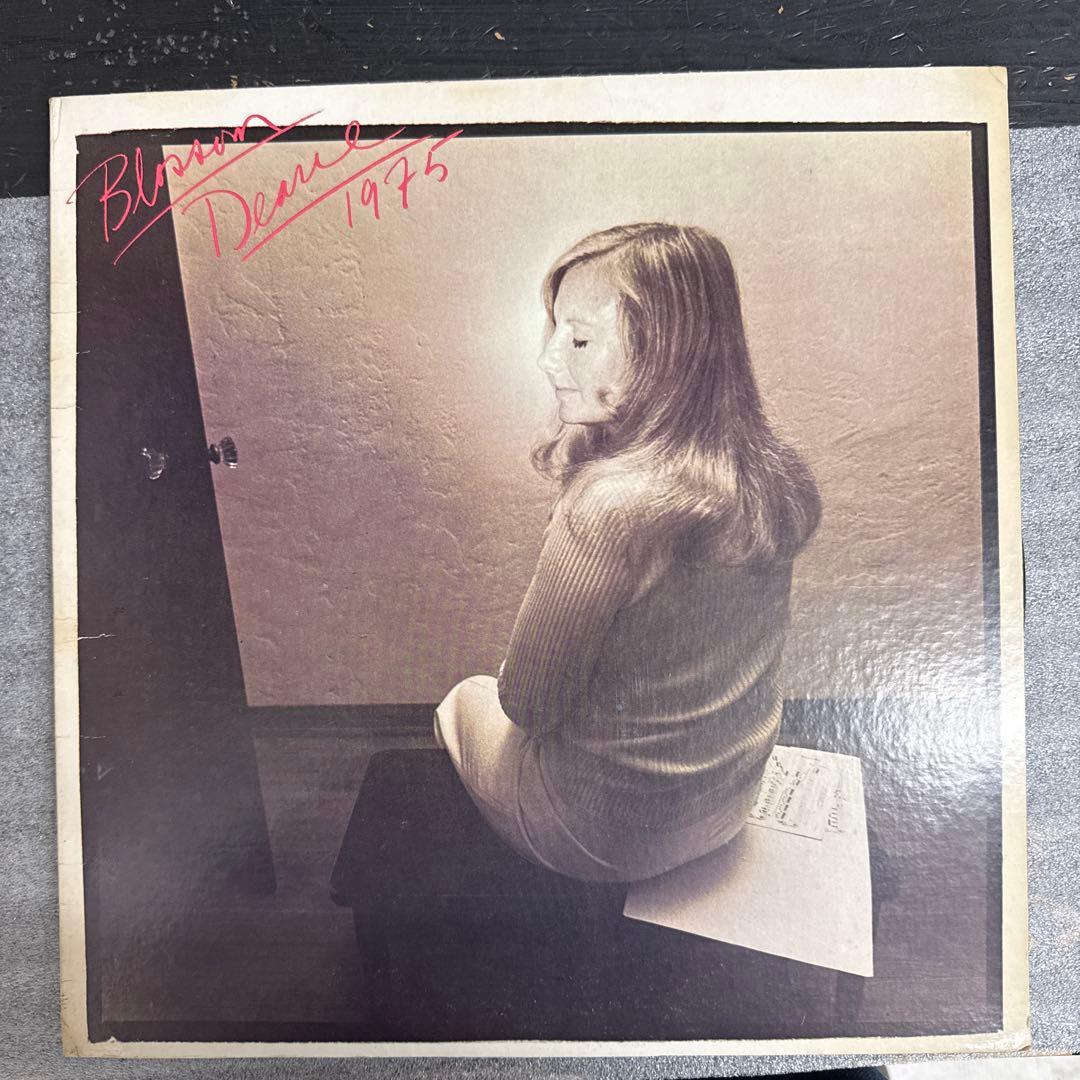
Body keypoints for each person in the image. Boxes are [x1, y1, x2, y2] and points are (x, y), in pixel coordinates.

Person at [434, 222, 822, 883]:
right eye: (556, 331)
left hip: (601, 839)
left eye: (580, 339)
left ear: (663, 350)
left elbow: (527, 704)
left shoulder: (608, 506)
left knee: (462, 699)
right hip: (727, 808)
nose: (548, 360)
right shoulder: (771, 474)